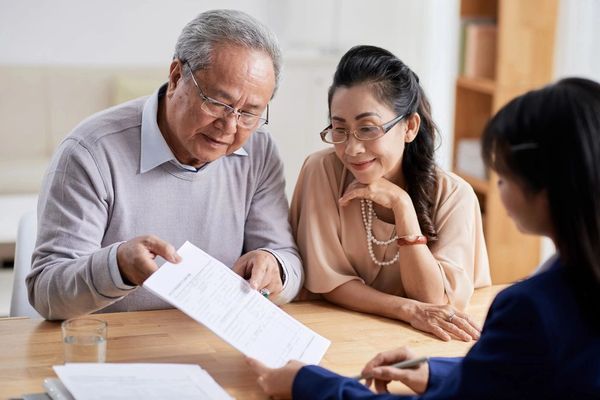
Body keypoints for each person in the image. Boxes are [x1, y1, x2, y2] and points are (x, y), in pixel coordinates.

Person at [248, 77, 600, 399]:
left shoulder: (531, 308)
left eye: (504, 173)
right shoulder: (569, 291)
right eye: (340, 130)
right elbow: (513, 373)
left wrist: (308, 383)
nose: (353, 148)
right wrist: (436, 370)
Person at [27, 9, 303, 320]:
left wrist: (274, 266)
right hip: (114, 350)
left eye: (249, 112)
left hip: (211, 345)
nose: (229, 126)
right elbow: (47, 293)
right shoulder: (91, 151)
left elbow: (288, 262)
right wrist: (116, 267)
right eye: (217, 102)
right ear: (175, 77)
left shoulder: (260, 151)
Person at [289, 45, 490, 341]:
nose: (351, 148)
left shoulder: (455, 195)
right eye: (339, 129)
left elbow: (434, 299)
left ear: (409, 127)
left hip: (425, 345)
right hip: (337, 334)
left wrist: (402, 204)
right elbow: (328, 281)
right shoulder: (322, 171)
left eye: (368, 129)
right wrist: (407, 310)